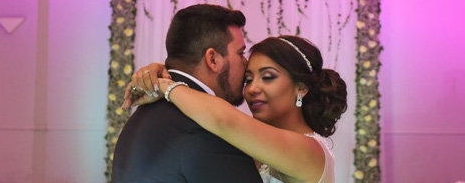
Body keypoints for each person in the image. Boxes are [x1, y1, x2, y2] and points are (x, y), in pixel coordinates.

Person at [126, 35, 347, 183]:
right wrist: (162, 71)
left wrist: (164, 84)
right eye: (247, 80)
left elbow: (223, 120)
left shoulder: (311, 151)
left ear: (301, 87)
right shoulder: (251, 141)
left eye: (268, 77)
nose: (252, 89)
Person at [109, 4, 261, 183]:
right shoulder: (210, 129)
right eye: (240, 53)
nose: (246, 64)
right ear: (213, 60)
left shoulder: (141, 116)